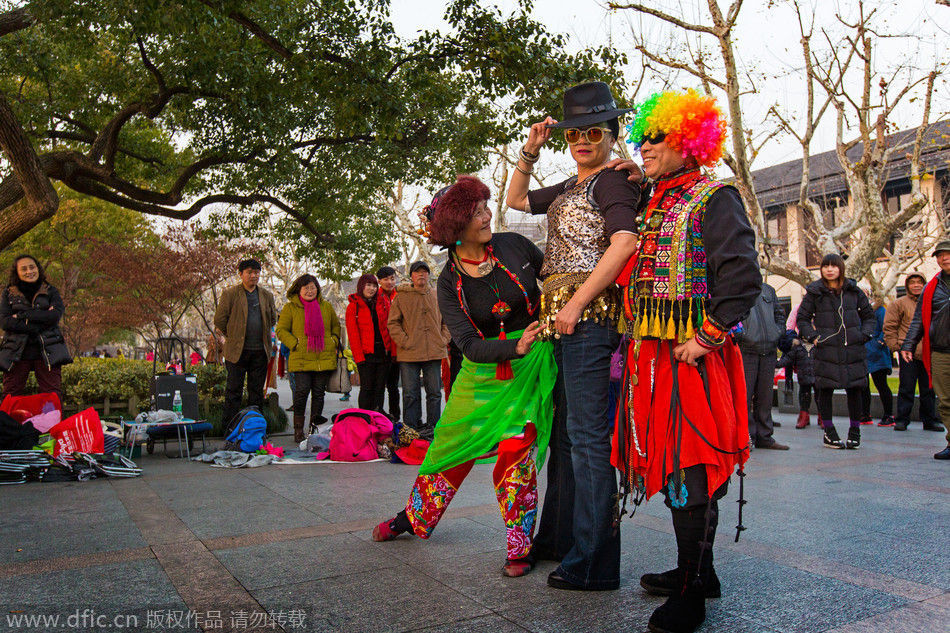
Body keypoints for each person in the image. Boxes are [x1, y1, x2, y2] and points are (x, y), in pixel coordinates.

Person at [610, 89, 758, 633]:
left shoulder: (715, 196)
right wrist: (636, 170)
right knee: (673, 465)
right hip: (652, 354)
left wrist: (708, 337)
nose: (643, 145)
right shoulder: (655, 195)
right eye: (640, 136)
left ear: (688, 142)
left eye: (656, 138)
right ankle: (701, 570)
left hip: (690, 356)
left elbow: (742, 278)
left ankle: (693, 590)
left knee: (690, 466)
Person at [373, 176, 555, 578]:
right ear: (456, 227)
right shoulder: (447, 282)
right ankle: (414, 517)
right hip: (481, 373)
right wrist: (515, 346)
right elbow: (469, 345)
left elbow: (556, 279)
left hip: (531, 368)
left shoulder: (513, 245)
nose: (488, 215)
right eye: (476, 213)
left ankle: (519, 541)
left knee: (516, 449)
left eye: (486, 207)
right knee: (448, 449)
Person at [505, 81, 640, 591]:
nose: (582, 140)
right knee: (563, 438)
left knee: (586, 441)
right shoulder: (568, 186)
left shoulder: (612, 181)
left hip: (588, 320)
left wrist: (579, 301)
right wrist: (530, 149)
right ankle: (560, 541)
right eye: (573, 133)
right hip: (560, 323)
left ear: (610, 135)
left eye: (593, 131)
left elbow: (625, 241)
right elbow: (517, 198)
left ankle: (596, 561)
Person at [796, 254, 875, 450]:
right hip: (826, 349)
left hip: (852, 349)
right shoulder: (814, 292)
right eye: (825, 266)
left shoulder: (854, 291)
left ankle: (854, 432)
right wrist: (813, 337)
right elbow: (802, 319)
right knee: (825, 390)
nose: (829, 269)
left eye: (834, 266)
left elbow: (869, 318)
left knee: (855, 389)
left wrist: (862, 335)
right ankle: (829, 433)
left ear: (841, 268)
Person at [213, 259, 278, 433]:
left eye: (257, 272)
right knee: (233, 390)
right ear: (240, 274)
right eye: (249, 272)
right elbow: (219, 319)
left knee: (256, 392)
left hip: (260, 351)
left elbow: (273, 318)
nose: (253, 275)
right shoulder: (230, 294)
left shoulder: (266, 295)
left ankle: (254, 429)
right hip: (236, 351)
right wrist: (233, 335)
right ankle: (230, 429)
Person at [387, 261, 450, 438]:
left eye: (424, 272)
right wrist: (405, 341)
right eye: (417, 272)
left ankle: (433, 427)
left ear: (428, 275)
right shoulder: (401, 297)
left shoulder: (438, 295)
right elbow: (393, 323)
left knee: (435, 393)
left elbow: (448, 321)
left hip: (434, 350)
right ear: (411, 276)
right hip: (409, 353)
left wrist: (443, 339)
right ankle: (411, 428)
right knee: (410, 393)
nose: (421, 275)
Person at [276, 274, 341, 443]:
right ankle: (298, 430)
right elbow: (281, 330)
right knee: (301, 392)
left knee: (319, 394)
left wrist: (333, 340)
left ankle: (314, 429)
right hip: (301, 358)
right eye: (306, 288)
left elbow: (336, 326)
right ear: (299, 290)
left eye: (313, 287)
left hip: (323, 358)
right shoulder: (290, 308)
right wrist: (294, 343)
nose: (310, 291)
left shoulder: (326, 307)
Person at [901, 239, 950, 459]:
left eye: (947, 254)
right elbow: (919, 319)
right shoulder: (932, 287)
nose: (944, 258)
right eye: (940, 255)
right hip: (940, 351)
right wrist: (909, 344)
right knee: (946, 400)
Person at [0, 255, 72, 399]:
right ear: (17, 272)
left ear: (38, 268)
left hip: (48, 349)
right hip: (16, 351)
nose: (29, 271)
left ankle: (52, 422)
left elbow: (54, 316)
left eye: (32, 267)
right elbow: (5, 321)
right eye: (24, 269)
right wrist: (37, 324)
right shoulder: (9, 293)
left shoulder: (50, 290)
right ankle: (8, 422)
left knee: (52, 396)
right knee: (10, 395)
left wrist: (21, 315)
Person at [734, 282, 789, 449]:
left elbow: (779, 314)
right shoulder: (737, 286)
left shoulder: (768, 290)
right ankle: (747, 437)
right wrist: (742, 335)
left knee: (765, 398)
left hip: (769, 349)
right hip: (746, 349)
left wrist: (777, 332)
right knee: (744, 396)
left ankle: (765, 436)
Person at [883, 272, 940, 431]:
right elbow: (889, 327)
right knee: (906, 387)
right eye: (912, 282)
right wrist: (896, 347)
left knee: (928, 389)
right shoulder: (899, 303)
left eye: (919, 282)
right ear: (907, 285)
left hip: (929, 352)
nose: (916, 285)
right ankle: (902, 419)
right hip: (907, 353)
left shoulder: (932, 301)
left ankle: (929, 420)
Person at [345, 273, 391, 413]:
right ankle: (364, 418)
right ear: (361, 286)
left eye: (374, 286)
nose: (371, 289)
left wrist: (390, 351)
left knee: (380, 388)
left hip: (383, 353)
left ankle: (378, 419)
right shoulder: (353, 307)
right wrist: (359, 358)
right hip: (366, 355)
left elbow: (389, 326)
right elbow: (353, 335)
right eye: (368, 285)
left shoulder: (382, 303)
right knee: (367, 388)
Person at [861, 292, 894, 426]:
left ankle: (888, 415)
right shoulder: (857, 311)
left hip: (878, 354)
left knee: (881, 384)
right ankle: (865, 414)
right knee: (863, 386)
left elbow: (886, 328)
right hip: (861, 353)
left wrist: (879, 343)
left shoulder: (880, 310)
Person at [376, 266, 400, 422]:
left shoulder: (401, 295)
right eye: (386, 279)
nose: (390, 282)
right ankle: (379, 417)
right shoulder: (375, 297)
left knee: (393, 386)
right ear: (379, 281)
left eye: (392, 278)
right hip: (381, 349)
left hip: (398, 348)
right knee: (379, 386)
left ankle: (395, 417)